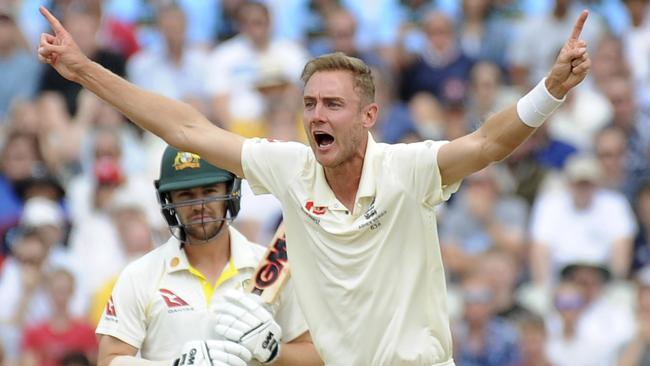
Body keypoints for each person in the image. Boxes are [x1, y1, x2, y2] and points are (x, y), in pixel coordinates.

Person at [37, 6, 592, 365]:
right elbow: (187, 128)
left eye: (332, 104)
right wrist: (85, 69)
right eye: (309, 105)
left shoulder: (408, 168)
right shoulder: (290, 168)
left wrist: (550, 89)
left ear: (369, 115)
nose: (316, 116)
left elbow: (488, 143)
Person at [94, 145, 320, 366]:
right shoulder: (140, 275)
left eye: (210, 191)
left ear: (230, 192)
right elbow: (109, 360)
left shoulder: (271, 266)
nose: (200, 206)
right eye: (186, 194)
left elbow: (317, 356)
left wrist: (274, 352)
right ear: (169, 200)